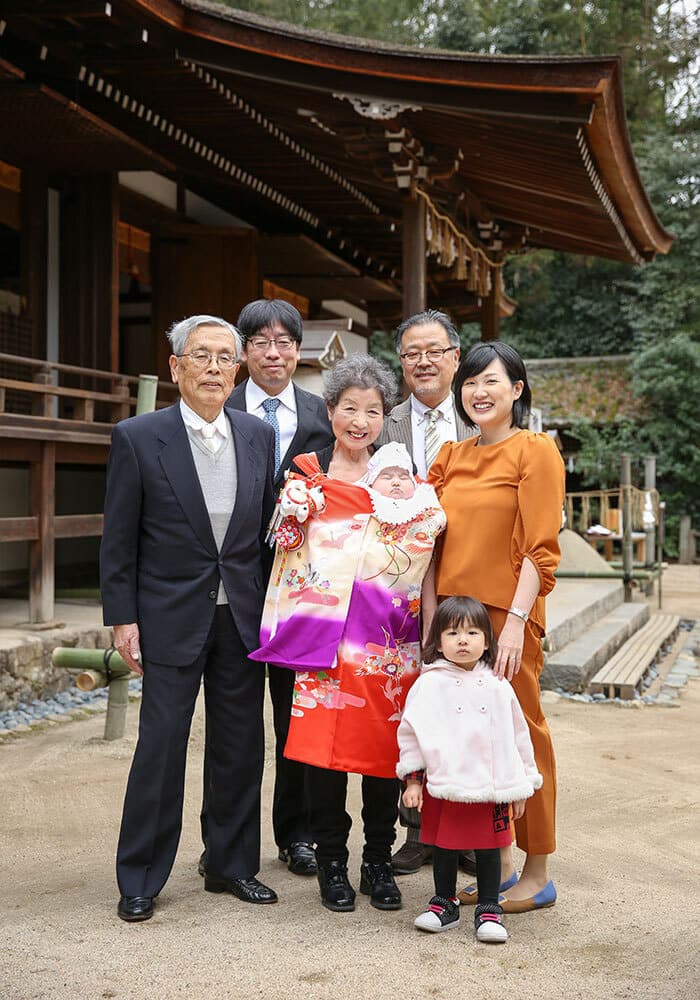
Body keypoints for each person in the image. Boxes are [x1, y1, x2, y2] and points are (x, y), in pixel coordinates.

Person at [250, 359, 445, 914]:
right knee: (322, 755)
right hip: (323, 645)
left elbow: (426, 551)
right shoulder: (307, 473)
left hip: (387, 641)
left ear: (387, 417)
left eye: (374, 411)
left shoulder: (404, 482)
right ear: (330, 411)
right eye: (349, 408)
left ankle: (378, 862)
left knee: (385, 756)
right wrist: (294, 510)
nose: (360, 421)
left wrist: (429, 626)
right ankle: (332, 863)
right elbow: (282, 546)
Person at [100, 315, 277, 923]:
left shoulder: (257, 435)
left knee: (238, 744)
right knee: (161, 745)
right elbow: (118, 539)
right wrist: (123, 619)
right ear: (175, 367)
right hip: (168, 614)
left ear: (239, 369)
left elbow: (261, 535)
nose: (213, 367)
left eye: (225, 357)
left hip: (240, 615)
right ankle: (141, 875)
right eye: (200, 355)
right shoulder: (138, 436)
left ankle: (229, 864)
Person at [424, 340, 565, 913]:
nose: (479, 392)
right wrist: (431, 616)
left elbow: (540, 549)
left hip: (506, 621)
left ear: (517, 389)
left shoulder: (535, 451)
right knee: (470, 742)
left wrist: (513, 627)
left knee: (523, 736)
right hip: (453, 622)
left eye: (492, 381)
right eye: (472, 383)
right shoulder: (450, 457)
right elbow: (427, 543)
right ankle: (499, 863)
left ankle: (538, 870)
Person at [224, 298, 334, 879]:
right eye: (261, 341)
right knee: (235, 720)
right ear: (244, 351)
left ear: (299, 350)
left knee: (296, 715)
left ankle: (299, 835)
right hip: (235, 588)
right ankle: (227, 841)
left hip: (301, 593)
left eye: (284, 341)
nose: (274, 352)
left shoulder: (323, 413)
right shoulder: (221, 408)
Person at [376, 309, 475, 876]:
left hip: (466, 582)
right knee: (407, 709)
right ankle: (416, 831)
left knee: (464, 703)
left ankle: (462, 830)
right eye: (412, 352)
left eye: (434, 351)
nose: (423, 361)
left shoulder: (480, 421)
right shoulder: (381, 424)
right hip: (396, 589)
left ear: (455, 358)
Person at [398, 597, 542, 943]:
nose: (462, 640)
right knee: (445, 845)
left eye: (472, 632)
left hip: (491, 785)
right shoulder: (428, 684)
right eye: (452, 633)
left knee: (489, 847)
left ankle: (489, 908)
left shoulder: (498, 685)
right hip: (444, 783)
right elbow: (412, 733)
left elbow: (518, 735)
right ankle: (443, 903)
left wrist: (520, 785)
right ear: (438, 641)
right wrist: (414, 780)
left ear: (487, 641)